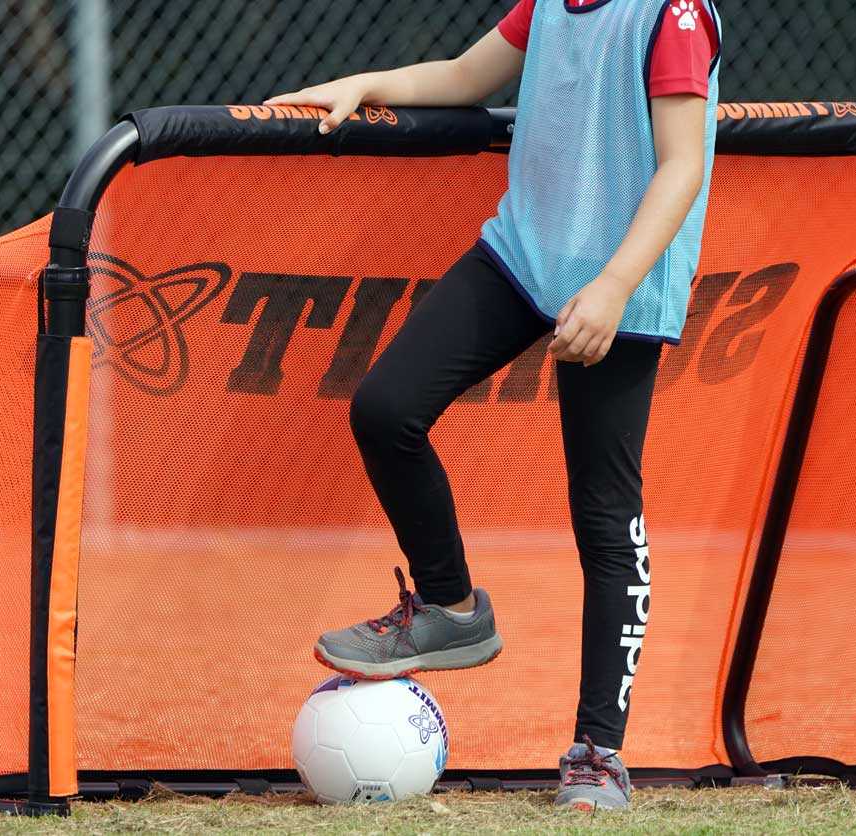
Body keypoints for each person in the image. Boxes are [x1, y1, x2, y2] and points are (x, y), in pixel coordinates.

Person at [267, 0, 720, 812]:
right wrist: (364, 83)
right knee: (384, 408)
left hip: (622, 285)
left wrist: (615, 286)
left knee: (606, 517)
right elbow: (467, 76)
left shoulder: (674, 12)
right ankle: (450, 608)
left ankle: (597, 754)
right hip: (522, 255)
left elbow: (682, 164)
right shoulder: (548, 3)